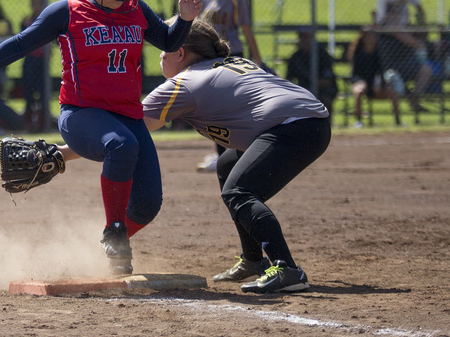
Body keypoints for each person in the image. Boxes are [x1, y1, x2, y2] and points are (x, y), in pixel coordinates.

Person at [0, 0, 203, 275]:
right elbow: (18, 45)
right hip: (81, 115)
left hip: (127, 116)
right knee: (121, 145)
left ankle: (98, 246)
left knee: (147, 204)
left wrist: (185, 19)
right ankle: (114, 234)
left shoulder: (135, 8)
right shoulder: (67, 12)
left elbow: (169, 40)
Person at [60, 18, 330, 293]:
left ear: (181, 53)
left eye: (164, 46)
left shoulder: (184, 83)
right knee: (227, 166)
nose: (160, 54)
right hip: (312, 122)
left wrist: (61, 156)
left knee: (239, 191)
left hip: (292, 128)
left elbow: (121, 134)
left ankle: (287, 268)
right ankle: (253, 260)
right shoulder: (231, 63)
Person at [196, 0, 262, 173]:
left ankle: (237, 153)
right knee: (213, 108)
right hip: (209, 58)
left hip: (232, 55)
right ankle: (220, 154)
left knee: (232, 106)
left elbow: (246, 29)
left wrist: (257, 58)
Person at [376, 3, 432, 113]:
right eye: (394, 13)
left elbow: (419, 37)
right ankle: (397, 115)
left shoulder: (404, 26)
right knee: (392, 79)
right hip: (389, 66)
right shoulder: (386, 25)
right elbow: (411, 41)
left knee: (426, 71)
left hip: (407, 63)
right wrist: (417, 42)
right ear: (388, 14)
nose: (396, 15)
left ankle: (414, 99)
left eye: (399, 13)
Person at [347, 28, 401, 127]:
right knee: (359, 91)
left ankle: (398, 121)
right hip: (361, 82)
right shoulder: (357, 53)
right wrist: (361, 82)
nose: (371, 39)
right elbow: (354, 74)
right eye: (368, 37)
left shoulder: (379, 52)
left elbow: (381, 71)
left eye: (373, 37)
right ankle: (358, 121)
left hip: (376, 84)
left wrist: (380, 84)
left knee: (393, 92)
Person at [286, 28, 338, 118]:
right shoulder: (296, 57)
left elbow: (327, 80)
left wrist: (313, 87)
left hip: (322, 89)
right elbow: (289, 79)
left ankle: (326, 125)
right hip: (303, 89)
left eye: (306, 38)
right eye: (301, 38)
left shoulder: (322, 54)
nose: (304, 41)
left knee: (325, 100)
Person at [20, 0, 49, 132]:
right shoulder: (26, 21)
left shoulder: (48, 20)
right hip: (30, 60)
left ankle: (44, 124)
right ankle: (28, 123)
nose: (37, 6)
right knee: (29, 93)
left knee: (43, 93)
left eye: (39, 3)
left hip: (42, 60)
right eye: (35, 3)